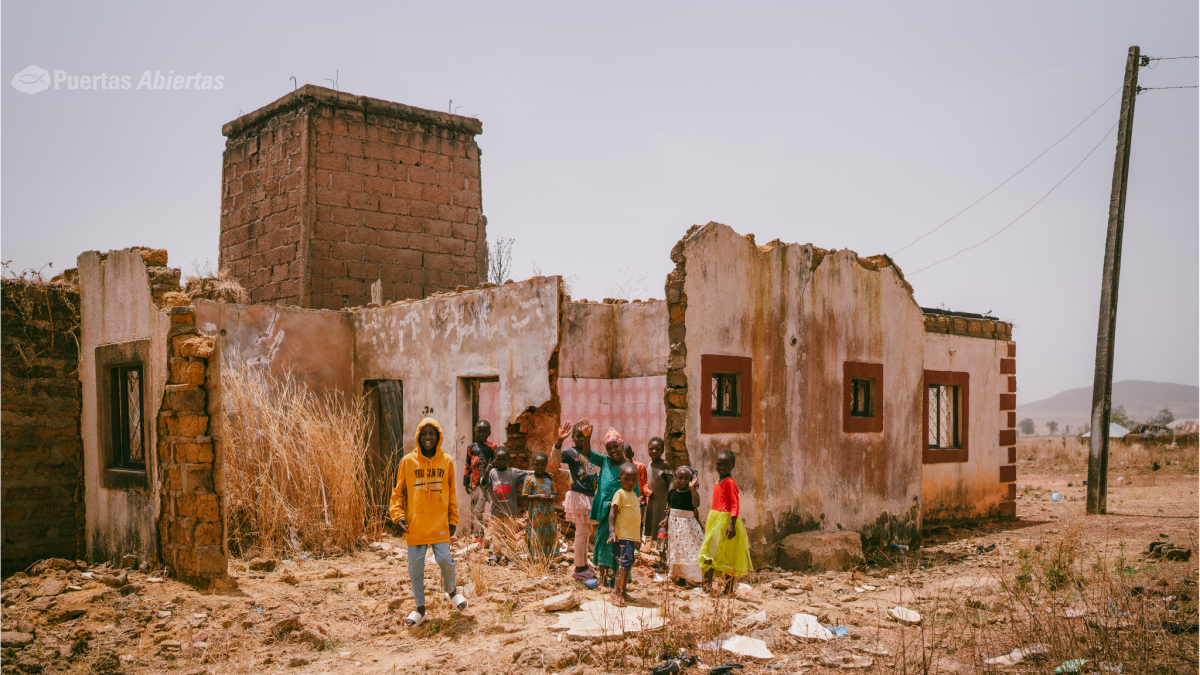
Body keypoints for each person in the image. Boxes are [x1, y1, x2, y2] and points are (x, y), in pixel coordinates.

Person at [387, 417, 468, 628]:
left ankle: (452, 592)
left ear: (438, 436)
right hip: (415, 525)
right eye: (424, 434)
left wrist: (453, 518)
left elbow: (452, 493)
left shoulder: (446, 461)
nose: (428, 438)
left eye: (432, 433)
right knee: (415, 566)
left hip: (439, 523)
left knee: (445, 559)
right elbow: (398, 493)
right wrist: (397, 516)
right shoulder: (407, 461)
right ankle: (420, 609)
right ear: (418, 437)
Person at [588, 428, 640, 589]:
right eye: (609, 448)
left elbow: (636, 492)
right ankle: (603, 581)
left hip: (622, 516)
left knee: (621, 549)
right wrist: (587, 437)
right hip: (606, 514)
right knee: (604, 544)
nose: (612, 450)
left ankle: (618, 585)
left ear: (622, 446)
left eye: (615, 446)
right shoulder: (604, 461)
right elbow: (588, 454)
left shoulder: (628, 468)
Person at [697, 449, 752, 595]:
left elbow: (735, 503)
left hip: (725, 522)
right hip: (715, 520)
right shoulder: (719, 481)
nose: (722, 467)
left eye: (726, 464)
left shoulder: (730, 482)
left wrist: (732, 524)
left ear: (732, 465)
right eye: (719, 464)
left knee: (723, 554)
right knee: (712, 553)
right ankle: (708, 588)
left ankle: (726, 590)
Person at [555, 419, 600, 586]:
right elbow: (556, 457)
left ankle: (585, 564)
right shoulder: (570, 452)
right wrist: (559, 440)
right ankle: (579, 568)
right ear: (573, 437)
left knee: (587, 531)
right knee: (581, 531)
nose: (582, 438)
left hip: (589, 496)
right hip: (579, 496)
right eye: (578, 436)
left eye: (585, 436)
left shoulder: (589, 453)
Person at [480, 447, 529, 564]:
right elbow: (484, 483)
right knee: (496, 535)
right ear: (494, 459)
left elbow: (529, 473)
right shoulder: (492, 473)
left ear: (508, 460)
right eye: (498, 459)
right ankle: (496, 554)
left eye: (504, 459)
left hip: (510, 511)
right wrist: (487, 470)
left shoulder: (514, 472)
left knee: (510, 535)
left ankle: (511, 556)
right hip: (496, 511)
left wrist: (543, 473)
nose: (501, 462)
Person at [607, 462, 641, 606]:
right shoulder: (620, 494)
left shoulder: (633, 494)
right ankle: (616, 591)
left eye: (633, 480)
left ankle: (623, 590)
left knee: (628, 563)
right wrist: (612, 531)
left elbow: (635, 517)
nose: (630, 483)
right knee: (624, 563)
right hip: (622, 536)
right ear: (619, 478)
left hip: (631, 536)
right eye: (626, 479)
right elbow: (613, 512)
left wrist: (638, 537)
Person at [664, 465, 705, 584]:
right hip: (674, 527)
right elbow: (669, 509)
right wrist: (665, 519)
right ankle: (680, 576)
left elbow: (696, 504)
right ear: (676, 478)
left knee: (689, 549)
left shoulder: (692, 493)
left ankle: (694, 577)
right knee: (677, 550)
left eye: (686, 478)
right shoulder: (672, 492)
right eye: (680, 478)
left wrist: (692, 488)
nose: (683, 480)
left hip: (688, 526)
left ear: (691, 479)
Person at [521, 451, 558, 562]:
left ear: (546, 465)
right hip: (536, 513)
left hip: (549, 512)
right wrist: (538, 496)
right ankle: (535, 558)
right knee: (536, 533)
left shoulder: (549, 479)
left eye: (542, 465)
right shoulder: (529, 479)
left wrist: (552, 497)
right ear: (532, 464)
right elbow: (524, 496)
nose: (540, 467)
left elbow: (554, 492)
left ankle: (547, 558)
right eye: (537, 464)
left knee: (549, 532)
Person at [462, 420, 496, 542]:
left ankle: (497, 534)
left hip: (491, 483)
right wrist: (466, 482)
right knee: (477, 510)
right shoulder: (471, 447)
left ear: (489, 433)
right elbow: (467, 464)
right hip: (476, 484)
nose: (481, 434)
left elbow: (497, 464)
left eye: (484, 432)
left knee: (495, 508)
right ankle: (478, 535)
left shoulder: (492, 447)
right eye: (479, 431)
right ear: (475, 431)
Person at [643, 437, 671, 546]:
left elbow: (671, 483)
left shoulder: (665, 464)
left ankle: (663, 551)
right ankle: (658, 551)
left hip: (662, 503)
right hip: (652, 502)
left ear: (662, 450)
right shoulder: (648, 465)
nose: (654, 451)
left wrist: (669, 500)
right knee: (654, 528)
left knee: (662, 528)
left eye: (657, 449)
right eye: (651, 449)